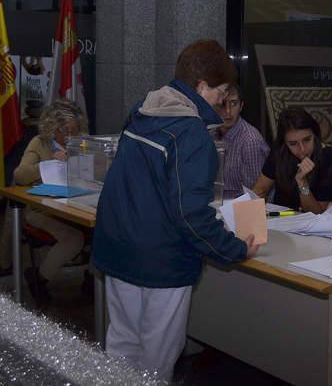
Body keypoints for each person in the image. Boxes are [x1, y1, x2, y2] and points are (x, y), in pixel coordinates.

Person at [91, 39, 261, 382]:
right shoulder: (193, 134)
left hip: (117, 247)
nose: (222, 103)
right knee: (156, 361)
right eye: (221, 92)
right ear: (201, 86)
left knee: (121, 347)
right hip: (162, 263)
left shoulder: (144, 110)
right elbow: (190, 214)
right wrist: (236, 248)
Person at [5, 99, 87, 305]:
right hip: (41, 210)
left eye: (74, 130)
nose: (70, 136)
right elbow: (20, 175)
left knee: (106, 231)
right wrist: (47, 164)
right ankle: (39, 277)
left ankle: (92, 280)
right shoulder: (39, 143)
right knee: (74, 239)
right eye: (66, 131)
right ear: (53, 128)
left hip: (75, 205)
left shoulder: (81, 142)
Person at [251, 107, 332, 214]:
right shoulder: (280, 152)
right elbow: (260, 189)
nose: (302, 149)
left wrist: (302, 182)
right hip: (281, 220)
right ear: (285, 143)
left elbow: (317, 213)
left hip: (312, 225)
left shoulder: (329, 157)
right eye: (293, 144)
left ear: (315, 135)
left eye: (307, 140)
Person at [214, 83, 270, 199]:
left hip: (238, 209)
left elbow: (255, 195)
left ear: (241, 106)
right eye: (223, 104)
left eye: (234, 103)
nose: (228, 111)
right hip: (211, 204)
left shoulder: (250, 141)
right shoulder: (209, 133)